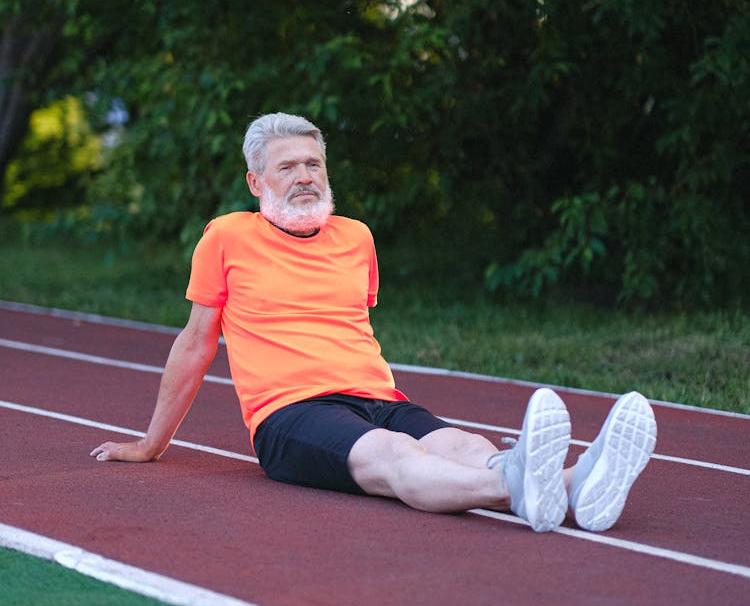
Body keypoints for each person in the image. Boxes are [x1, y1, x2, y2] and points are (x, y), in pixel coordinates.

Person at [91, 112, 657, 533]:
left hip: (376, 395)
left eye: (314, 164)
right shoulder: (227, 236)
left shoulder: (356, 236)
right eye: (286, 167)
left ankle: (575, 485)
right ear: (256, 182)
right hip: (290, 416)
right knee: (393, 455)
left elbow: (349, 327)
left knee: (461, 442)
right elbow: (195, 344)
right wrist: (151, 443)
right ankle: (524, 483)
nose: (304, 176)